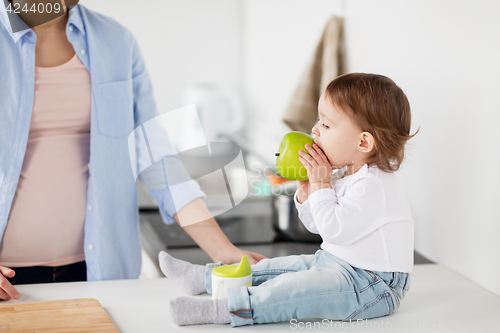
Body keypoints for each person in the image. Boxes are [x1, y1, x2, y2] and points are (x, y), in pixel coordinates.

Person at [0, 1, 265, 301]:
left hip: (99, 273)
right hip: (8, 278)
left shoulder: (116, 41)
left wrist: (224, 251)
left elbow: (157, 158)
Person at [160, 73, 419, 327]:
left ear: (363, 142)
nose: (314, 130)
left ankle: (222, 310)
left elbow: (334, 230)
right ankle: (203, 278)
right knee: (277, 268)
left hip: (373, 286)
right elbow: (318, 227)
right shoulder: (344, 173)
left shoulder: (373, 185)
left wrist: (320, 185)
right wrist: (307, 194)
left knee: (295, 289)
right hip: (336, 263)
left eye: (326, 125)